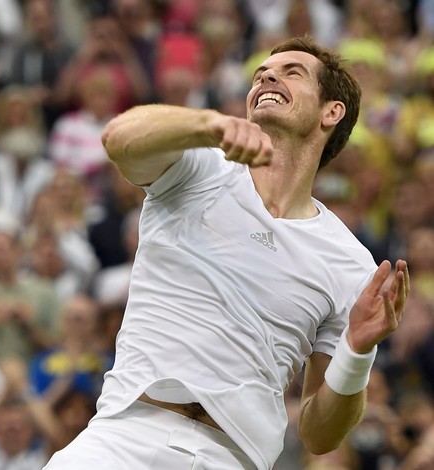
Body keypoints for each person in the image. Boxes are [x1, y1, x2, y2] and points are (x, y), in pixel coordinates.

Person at [44, 35, 410, 470]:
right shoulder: (202, 164)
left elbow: (318, 434)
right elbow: (120, 139)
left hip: (232, 460)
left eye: (293, 72)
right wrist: (204, 125)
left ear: (332, 111)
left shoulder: (351, 262)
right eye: (261, 74)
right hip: (123, 438)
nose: (269, 76)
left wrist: (357, 350)